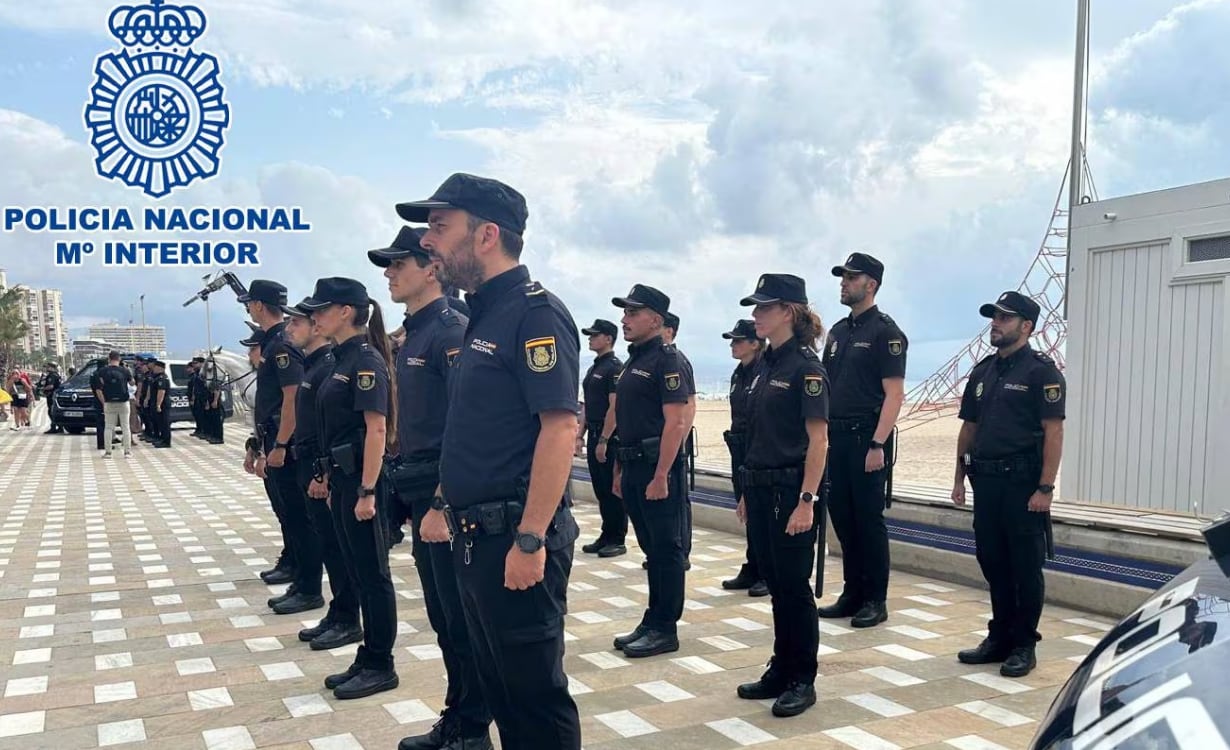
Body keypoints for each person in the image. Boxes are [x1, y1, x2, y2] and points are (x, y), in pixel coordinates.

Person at [404, 172, 582, 749]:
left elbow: (559, 429)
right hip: (475, 536)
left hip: (514, 538)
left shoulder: (535, 314)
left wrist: (530, 539)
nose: (427, 241)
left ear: (485, 235)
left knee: (534, 700)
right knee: (501, 690)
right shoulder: (483, 313)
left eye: (439, 226)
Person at [369, 227, 494, 750]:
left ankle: (472, 730)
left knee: (463, 623)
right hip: (423, 493)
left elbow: (467, 426)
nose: (389, 273)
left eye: (399, 263)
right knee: (445, 620)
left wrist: (442, 499)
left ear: (432, 269)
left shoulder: (451, 330)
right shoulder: (415, 332)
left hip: (451, 501)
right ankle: (460, 717)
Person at [953, 291, 1064, 678]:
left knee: (1025, 567)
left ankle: (1023, 644)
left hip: (1023, 485)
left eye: (1005, 318)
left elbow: (1053, 433)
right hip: (987, 483)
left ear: (1026, 326)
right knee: (993, 562)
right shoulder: (983, 372)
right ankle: (998, 636)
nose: (996, 323)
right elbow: (970, 426)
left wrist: (1045, 489)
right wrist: (959, 479)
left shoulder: (1041, 372)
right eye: (994, 317)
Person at [733, 273, 829, 717]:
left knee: (794, 587)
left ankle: (801, 677)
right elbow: (756, 434)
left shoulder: (806, 367)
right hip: (761, 487)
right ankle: (781, 666)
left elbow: (818, 440)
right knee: (776, 585)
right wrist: (747, 491)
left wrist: (806, 500)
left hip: (792, 492)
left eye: (763, 308)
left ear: (787, 312)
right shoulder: (764, 366)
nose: (755, 316)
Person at [301, 277, 401, 700]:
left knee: (374, 575)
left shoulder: (365, 360)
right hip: (342, 479)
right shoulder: (342, 359)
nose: (314, 318)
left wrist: (367, 490)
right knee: (357, 570)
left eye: (321, 310)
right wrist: (327, 475)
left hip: (362, 484)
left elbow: (377, 429)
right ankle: (368, 654)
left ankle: (381, 662)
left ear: (346, 312)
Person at [818, 252, 907, 628]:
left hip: (865, 439)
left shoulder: (886, 333)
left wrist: (877, 444)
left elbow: (895, 394)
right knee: (843, 519)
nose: (843, 282)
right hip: (835, 438)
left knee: (869, 522)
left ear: (870, 284)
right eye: (843, 277)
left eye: (851, 277)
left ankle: (875, 598)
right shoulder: (838, 332)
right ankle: (852, 592)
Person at [609, 284, 689, 659]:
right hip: (635, 465)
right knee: (651, 550)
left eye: (632, 313)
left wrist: (661, 475)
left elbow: (676, 424)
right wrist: (621, 470)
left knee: (666, 549)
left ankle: (665, 626)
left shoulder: (666, 360)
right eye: (624, 313)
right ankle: (652, 617)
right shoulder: (635, 360)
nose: (624, 320)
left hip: (657, 468)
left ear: (655, 319)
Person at [280, 298, 364, 650]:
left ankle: (348, 618)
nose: (290, 330)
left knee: (339, 549)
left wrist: (321, 472)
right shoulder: (315, 366)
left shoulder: (329, 366)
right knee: (331, 547)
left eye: (296, 323)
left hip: (324, 470)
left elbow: (338, 428)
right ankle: (338, 611)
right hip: (310, 467)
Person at [241, 279, 324, 611]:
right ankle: (298, 574)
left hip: (285, 443)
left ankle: (309, 586)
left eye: (250, 304)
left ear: (259, 305)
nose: (292, 326)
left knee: (300, 519)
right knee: (288, 514)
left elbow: (291, 400)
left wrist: (279, 444)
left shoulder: (281, 345)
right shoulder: (275, 341)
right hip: (273, 438)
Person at [720, 319, 769, 597]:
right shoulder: (739, 373)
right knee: (747, 511)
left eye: (738, 340)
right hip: (738, 447)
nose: (733, 345)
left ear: (754, 343)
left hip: (756, 447)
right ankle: (753, 565)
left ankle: (765, 571)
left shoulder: (764, 371)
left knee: (758, 510)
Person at [579, 318, 626, 558]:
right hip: (594, 432)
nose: (590, 338)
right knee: (600, 489)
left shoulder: (614, 367)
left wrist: (605, 439)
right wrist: (580, 434)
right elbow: (587, 405)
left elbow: (614, 407)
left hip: (609, 436)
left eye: (595, 335)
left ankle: (617, 538)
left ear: (608, 338)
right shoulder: (594, 367)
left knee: (612, 488)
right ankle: (606, 533)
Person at [661, 312, 697, 568]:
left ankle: (680, 553)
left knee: (677, 504)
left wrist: (678, 445)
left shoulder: (676, 361)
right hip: (660, 445)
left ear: (670, 330)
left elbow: (689, 405)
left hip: (674, 446)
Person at [93, 351, 133, 458]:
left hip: (109, 402)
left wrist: (103, 401)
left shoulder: (102, 371)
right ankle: (127, 452)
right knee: (125, 427)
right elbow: (132, 383)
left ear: (109, 359)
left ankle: (108, 452)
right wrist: (127, 370)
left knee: (109, 427)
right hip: (123, 402)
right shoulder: (124, 370)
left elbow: (99, 387)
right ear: (119, 359)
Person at [39, 363, 63, 434]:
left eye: (48, 367)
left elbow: (51, 386)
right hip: (55, 395)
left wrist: (43, 389)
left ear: (52, 367)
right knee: (53, 411)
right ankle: (59, 427)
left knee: (51, 412)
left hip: (51, 395)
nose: (47, 368)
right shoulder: (57, 375)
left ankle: (54, 426)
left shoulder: (52, 375)